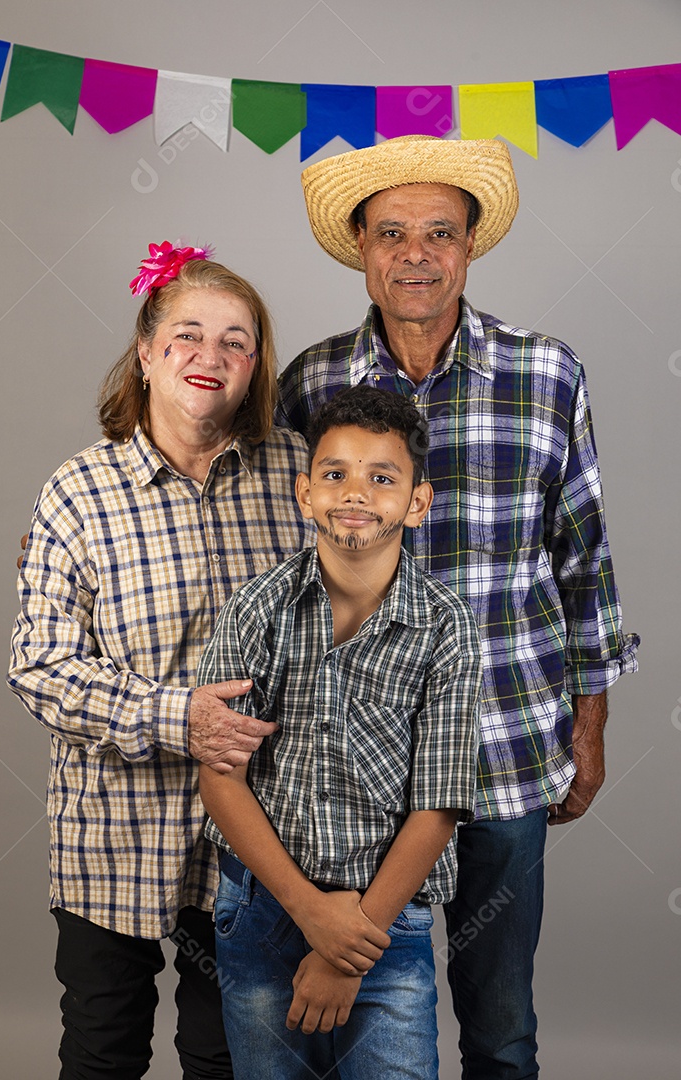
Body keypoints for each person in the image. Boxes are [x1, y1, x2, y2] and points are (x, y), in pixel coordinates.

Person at [275, 136, 640, 1079]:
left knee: (501, 1020)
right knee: (355, 1013)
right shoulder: (312, 384)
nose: (417, 253)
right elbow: (274, 557)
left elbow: (583, 560)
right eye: (392, 232)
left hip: (504, 745)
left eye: (440, 232)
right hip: (357, 761)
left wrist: (588, 726)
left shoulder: (546, 373)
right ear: (360, 247)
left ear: (470, 247)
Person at [8, 244, 315, 1080]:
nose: (210, 357)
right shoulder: (78, 491)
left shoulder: (302, 475)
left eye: (236, 341)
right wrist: (181, 716)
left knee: (236, 1060)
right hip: (116, 837)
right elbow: (39, 665)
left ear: (257, 366)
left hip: (257, 843)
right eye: (187, 335)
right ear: (145, 352)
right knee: (102, 1055)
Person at [196, 385, 483, 1079]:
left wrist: (346, 945)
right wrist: (310, 914)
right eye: (335, 474)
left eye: (382, 477)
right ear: (304, 493)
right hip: (263, 909)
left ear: (417, 502)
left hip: (387, 921)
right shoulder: (254, 611)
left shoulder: (449, 628)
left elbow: (439, 804)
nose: (356, 492)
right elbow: (220, 774)